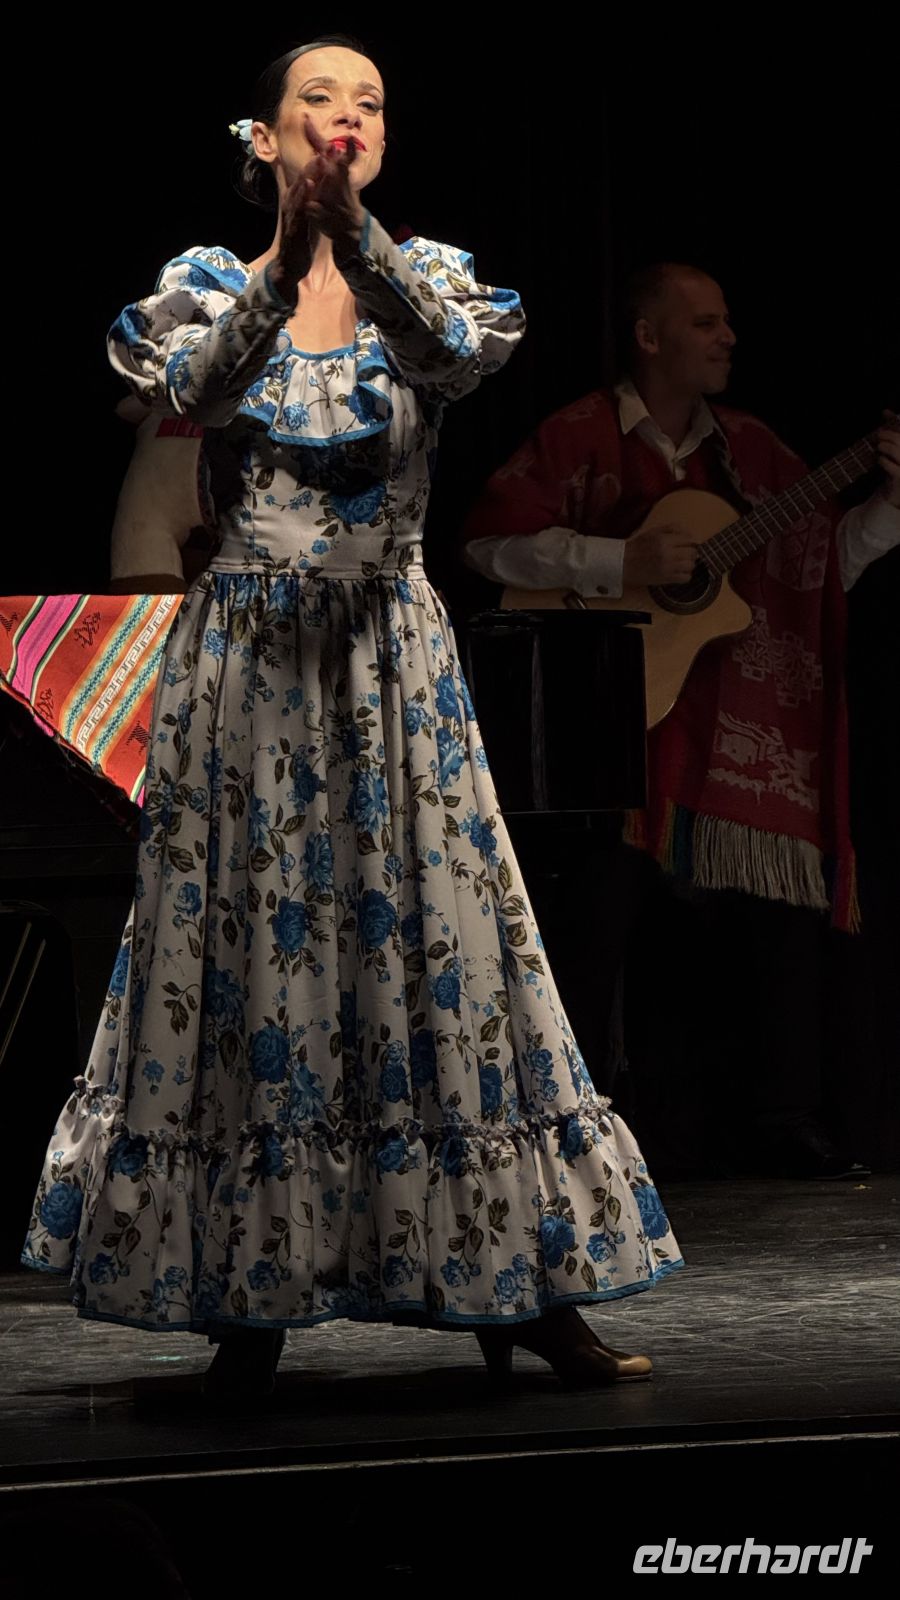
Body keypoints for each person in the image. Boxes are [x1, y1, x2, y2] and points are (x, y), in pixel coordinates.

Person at [21, 39, 681, 1399]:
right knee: (255, 957)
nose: (347, 117)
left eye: (369, 102)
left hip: (389, 656)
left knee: (448, 952)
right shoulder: (205, 289)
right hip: (252, 664)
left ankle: (521, 1285)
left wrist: (353, 242)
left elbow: (451, 356)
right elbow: (196, 393)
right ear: (265, 136)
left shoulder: (424, 276)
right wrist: (284, 263)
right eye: (319, 100)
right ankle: (249, 1297)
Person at [463, 262, 899, 1180]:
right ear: (649, 336)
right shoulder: (580, 433)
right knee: (594, 920)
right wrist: (618, 560)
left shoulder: (753, 449)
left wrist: (891, 505)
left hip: (734, 739)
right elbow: (490, 546)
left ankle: (783, 1118)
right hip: (618, 736)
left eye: (726, 321)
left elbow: (825, 566)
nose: (728, 337)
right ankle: (564, 1122)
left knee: (781, 914)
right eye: (706, 323)